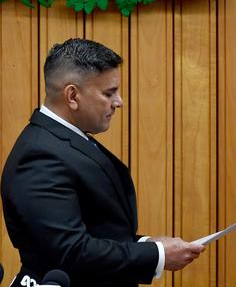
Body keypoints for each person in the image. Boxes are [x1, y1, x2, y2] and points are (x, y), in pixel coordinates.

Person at [1, 38, 205, 287]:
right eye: (109, 93)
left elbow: (97, 227)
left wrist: (148, 245)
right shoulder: (38, 155)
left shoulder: (64, 140)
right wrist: (158, 255)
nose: (119, 102)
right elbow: (70, 251)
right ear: (72, 95)